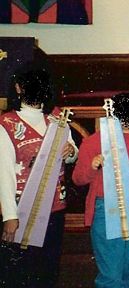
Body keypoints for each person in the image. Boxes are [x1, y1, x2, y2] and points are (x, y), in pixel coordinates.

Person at [72, 92, 129, 287]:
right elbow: (78, 178)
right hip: (107, 209)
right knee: (111, 272)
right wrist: (92, 166)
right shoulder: (95, 141)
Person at [0, 62, 77, 287]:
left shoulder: (57, 118)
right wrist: (9, 217)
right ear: (18, 88)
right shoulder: (7, 123)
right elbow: (4, 173)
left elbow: (72, 153)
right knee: (19, 271)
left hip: (54, 207)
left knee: (48, 268)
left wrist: (71, 151)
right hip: (21, 208)